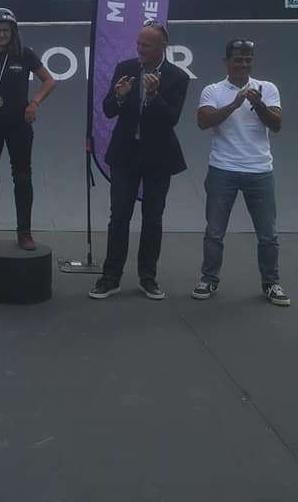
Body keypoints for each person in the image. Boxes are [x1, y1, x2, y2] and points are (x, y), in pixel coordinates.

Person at [89, 20, 189, 300]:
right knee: (118, 217)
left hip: (159, 157)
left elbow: (171, 118)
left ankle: (148, 277)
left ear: (162, 47)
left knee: (153, 218)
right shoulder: (126, 69)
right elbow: (108, 110)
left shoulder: (177, 77)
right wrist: (119, 97)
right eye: (138, 44)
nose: (140, 49)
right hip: (126, 154)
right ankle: (111, 277)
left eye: (145, 45)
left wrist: (154, 95)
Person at [192, 39, 289, 306]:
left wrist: (257, 104)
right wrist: (235, 104)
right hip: (223, 169)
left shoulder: (266, 88)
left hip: (259, 170)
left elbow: (277, 124)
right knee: (214, 231)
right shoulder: (212, 90)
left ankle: (272, 283)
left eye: (248, 59)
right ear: (226, 62)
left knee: (268, 233)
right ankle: (208, 279)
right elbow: (203, 122)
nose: (243, 64)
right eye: (238, 59)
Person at [0, 7, 55, 250]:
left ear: (13, 32)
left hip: (19, 125)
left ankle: (24, 232)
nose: (2, 34)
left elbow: (49, 80)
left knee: (22, 177)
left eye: (6, 30)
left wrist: (35, 102)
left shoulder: (24, 54)